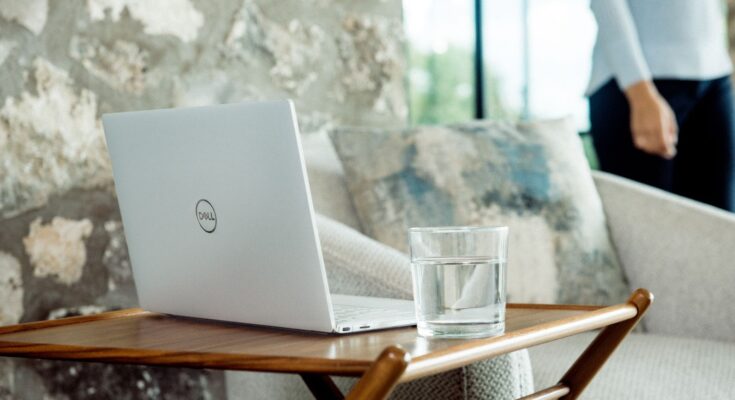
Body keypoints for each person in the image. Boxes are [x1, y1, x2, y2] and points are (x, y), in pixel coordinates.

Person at [588, 0, 735, 212]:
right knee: (646, 228)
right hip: (636, 82)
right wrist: (639, 91)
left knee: (721, 230)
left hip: (715, 73)